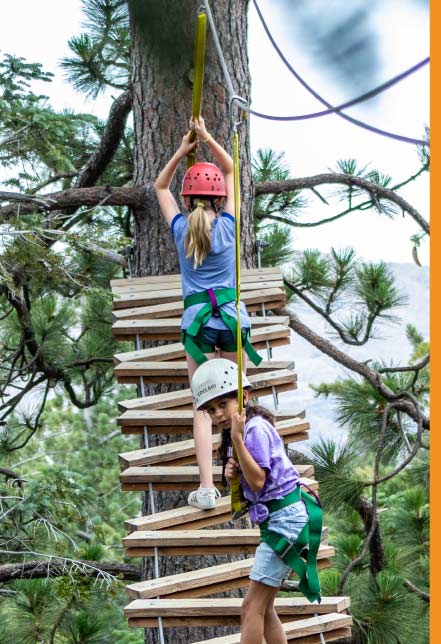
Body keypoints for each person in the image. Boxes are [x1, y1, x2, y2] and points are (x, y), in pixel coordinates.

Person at [154, 116, 261, 510]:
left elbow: (159, 186)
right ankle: (242, 468)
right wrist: (208, 138)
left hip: (197, 327)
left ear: (187, 199)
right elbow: (231, 168)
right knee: (236, 400)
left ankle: (205, 488)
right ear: (218, 198)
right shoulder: (229, 226)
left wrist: (183, 149)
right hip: (232, 322)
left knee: (202, 406)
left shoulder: (182, 228)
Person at [190, 358, 322, 644]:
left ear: (244, 397)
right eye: (212, 410)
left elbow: (260, 481)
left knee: (250, 607)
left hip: (285, 520)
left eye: (224, 405)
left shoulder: (254, 430)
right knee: (264, 607)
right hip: (282, 518)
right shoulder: (245, 431)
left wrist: (237, 441)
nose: (219, 415)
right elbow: (252, 482)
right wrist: (233, 472)